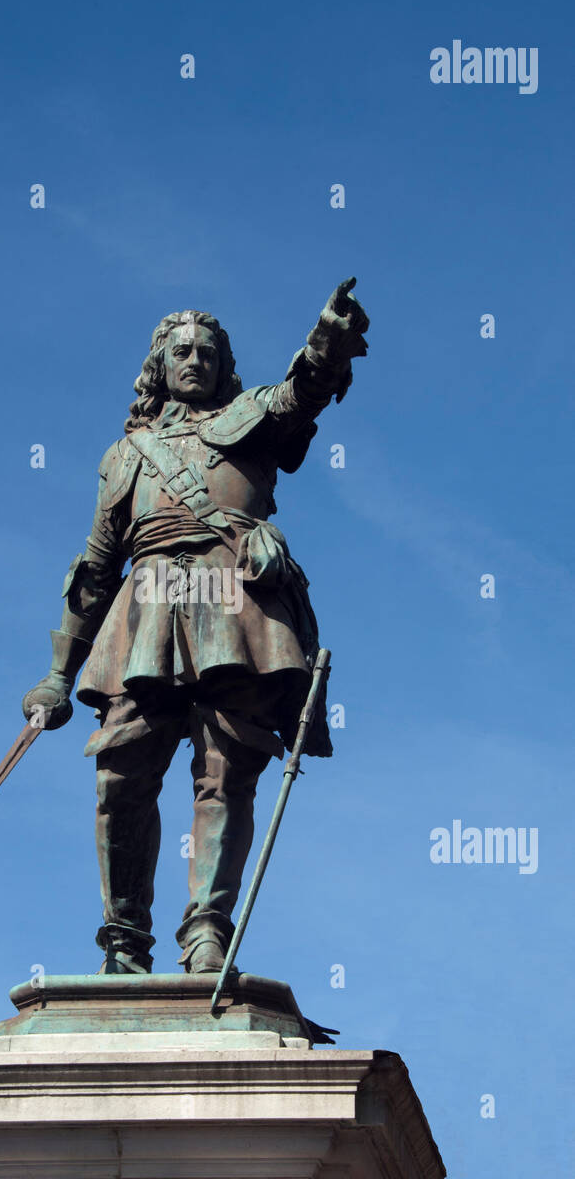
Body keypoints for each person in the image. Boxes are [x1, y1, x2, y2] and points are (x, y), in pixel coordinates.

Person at [22, 280, 369, 975]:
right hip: (145, 610)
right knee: (119, 776)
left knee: (224, 773)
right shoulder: (124, 457)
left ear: (223, 364)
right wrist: (58, 675)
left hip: (234, 605)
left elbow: (302, 390)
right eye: (180, 350)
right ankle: (123, 939)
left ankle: (206, 932)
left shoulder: (250, 418)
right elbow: (94, 569)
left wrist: (327, 340)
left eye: (207, 351)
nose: (194, 360)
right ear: (157, 364)